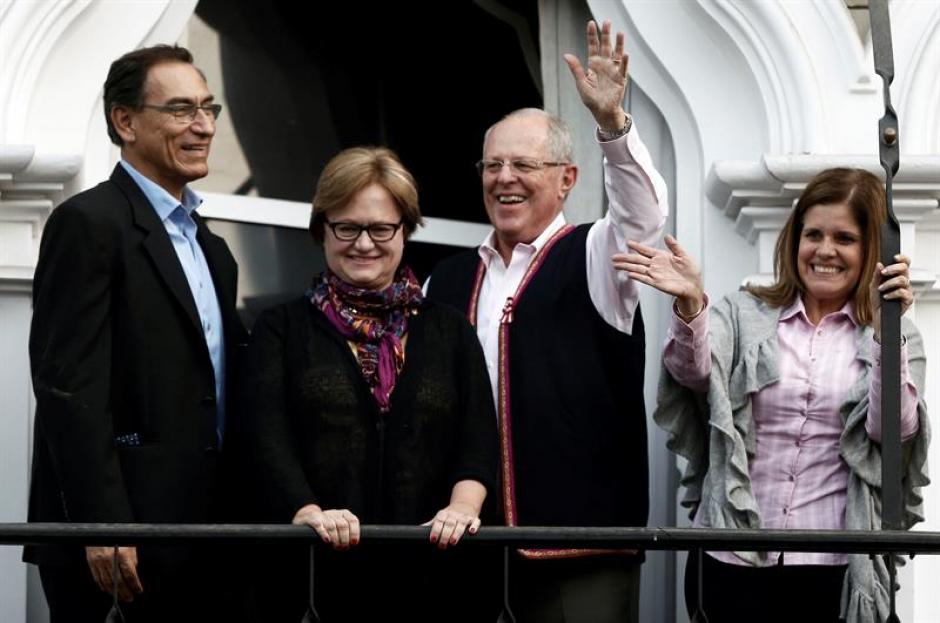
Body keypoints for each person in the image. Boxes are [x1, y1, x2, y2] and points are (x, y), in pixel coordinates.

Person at [425, 20, 668, 623]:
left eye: (524, 165)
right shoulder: (443, 280)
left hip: (577, 547)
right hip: (464, 546)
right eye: (492, 165)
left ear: (567, 179)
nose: (504, 178)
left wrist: (612, 124)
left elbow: (644, 217)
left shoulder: (597, 253)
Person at [617, 167, 930, 623]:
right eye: (814, 234)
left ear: (872, 253)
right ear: (794, 239)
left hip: (832, 563)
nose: (825, 250)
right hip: (731, 556)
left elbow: (892, 431)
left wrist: (888, 332)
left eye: (844, 238)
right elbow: (693, 374)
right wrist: (689, 304)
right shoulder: (743, 312)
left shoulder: (895, 336)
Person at [25, 45, 249, 622]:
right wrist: (104, 525)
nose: (203, 126)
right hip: (119, 546)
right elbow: (66, 387)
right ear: (125, 121)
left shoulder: (214, 249)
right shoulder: (88, 222)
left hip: (206, 537)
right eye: (180, 110)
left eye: (208, 108)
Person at [244, 147, 500, 622]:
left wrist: (462, 508)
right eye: (347, 227)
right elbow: (264, 438)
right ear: (322, 229)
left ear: (405, 230)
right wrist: (307, 511)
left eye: (381, 228)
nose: (364, 244)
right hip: (315, 581)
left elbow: (479, 440)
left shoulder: (448, 330)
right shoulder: (279, 329)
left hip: (432, 581)